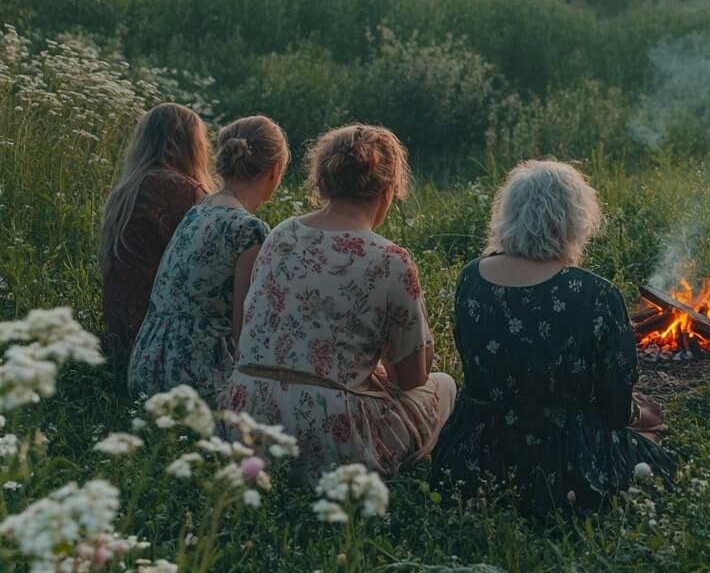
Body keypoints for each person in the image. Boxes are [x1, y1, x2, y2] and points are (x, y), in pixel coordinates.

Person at [430, 159, 674, 516]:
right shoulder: (596, 293)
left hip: (476, 456)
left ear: (508, 214)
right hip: (567, 458)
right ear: (576, 221)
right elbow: (614, 405)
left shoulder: (471, 278)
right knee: (652, 435)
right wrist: (641, 412)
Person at [224, 124, 455, 484]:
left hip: (243, 420)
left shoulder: (280, 234)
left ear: (323, 181)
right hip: (327, 436)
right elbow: (411, 378)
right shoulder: (390, 260)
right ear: (388, 190)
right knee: (443, 386)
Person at [128, 116, 288, 404]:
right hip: (197, 379)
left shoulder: (196, 211)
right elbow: (245, 333)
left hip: (147, 367)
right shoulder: (249, 230)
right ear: (275, 171)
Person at [99, 103, 213, 351]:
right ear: (190, 145)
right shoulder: (179, 189)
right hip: (156, 334)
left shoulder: (128, 189)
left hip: (121, 327)